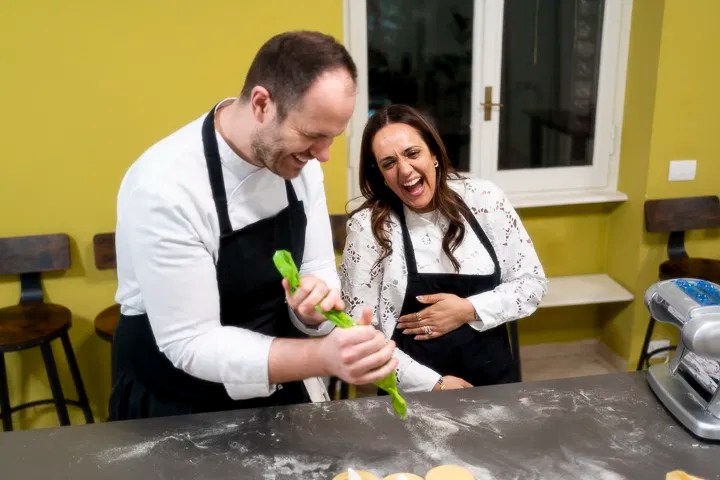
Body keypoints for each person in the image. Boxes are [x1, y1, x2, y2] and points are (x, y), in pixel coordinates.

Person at [110, 31, 397, 420]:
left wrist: (312, 312)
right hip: (178, 400)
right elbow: (191, 341)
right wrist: (321, 357)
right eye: (313, 136)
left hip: (275, 383)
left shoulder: (300, 164)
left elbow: (316, 270)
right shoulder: (165, 187)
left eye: (332, 138)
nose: (323, 156)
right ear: (262, 103)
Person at [340, 104, 546, 394]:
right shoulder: (369, 228)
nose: (405, 170)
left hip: (494, 384)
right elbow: (358, 335)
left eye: (413, 153)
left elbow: (531, 283)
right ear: (381, 174)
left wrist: (467, 309)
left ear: (434, 154)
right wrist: (434, 385)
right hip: (412, 393)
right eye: (389, 163)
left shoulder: (485, 199)